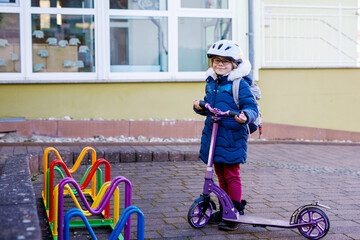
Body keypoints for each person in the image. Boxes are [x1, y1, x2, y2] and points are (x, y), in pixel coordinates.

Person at [193, 39, 259, 231]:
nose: (219, 64)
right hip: (214, 135)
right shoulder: (212, 82)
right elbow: (210, 106)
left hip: (231, 136)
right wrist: (200, 106)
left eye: (225, 61)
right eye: (216, 60)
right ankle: (225, 209)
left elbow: (251, 107)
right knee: (220, 175)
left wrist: (245, 115)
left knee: (231, 174)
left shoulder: (239, 84)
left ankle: (234, 212)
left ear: (234, 65)